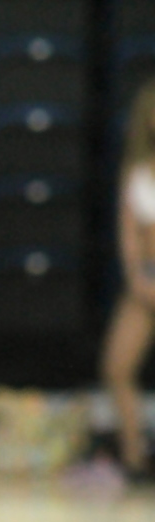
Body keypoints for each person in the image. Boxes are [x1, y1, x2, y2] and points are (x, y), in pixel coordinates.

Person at [101, 78, 155, 484]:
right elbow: (128, 233)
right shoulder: (135, 169)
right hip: (146, 281)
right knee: (117, 365)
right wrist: (138, 278)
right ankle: (135, 456)